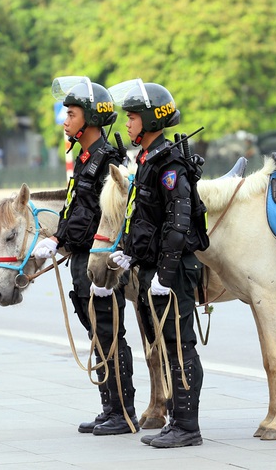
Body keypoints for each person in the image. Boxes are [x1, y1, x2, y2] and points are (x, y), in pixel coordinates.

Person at [32, 76, 139, 436]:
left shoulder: (107, 160)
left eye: (71, 113)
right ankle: (109, 408)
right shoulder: (86, 158)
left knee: (109, 332)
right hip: (80, 256)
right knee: (97, 333)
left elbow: (98, 217)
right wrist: (57, 239)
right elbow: (76, 211)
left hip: (97, 260)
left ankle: (123, 413)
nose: (65, 119)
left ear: (91, 119)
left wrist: (63, 240)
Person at [108, 79, 206, 448]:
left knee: (181, 346)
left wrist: (164, 274)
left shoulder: (169, 165)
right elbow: (147, 218)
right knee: (166, 345)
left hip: (174, 271)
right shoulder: (149, 160)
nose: (128, 124)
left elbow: (179, 221)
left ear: (150, 121)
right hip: (154, 269)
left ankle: (188, 427)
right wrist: (131, 252)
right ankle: (177, 421)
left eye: (132, 118)